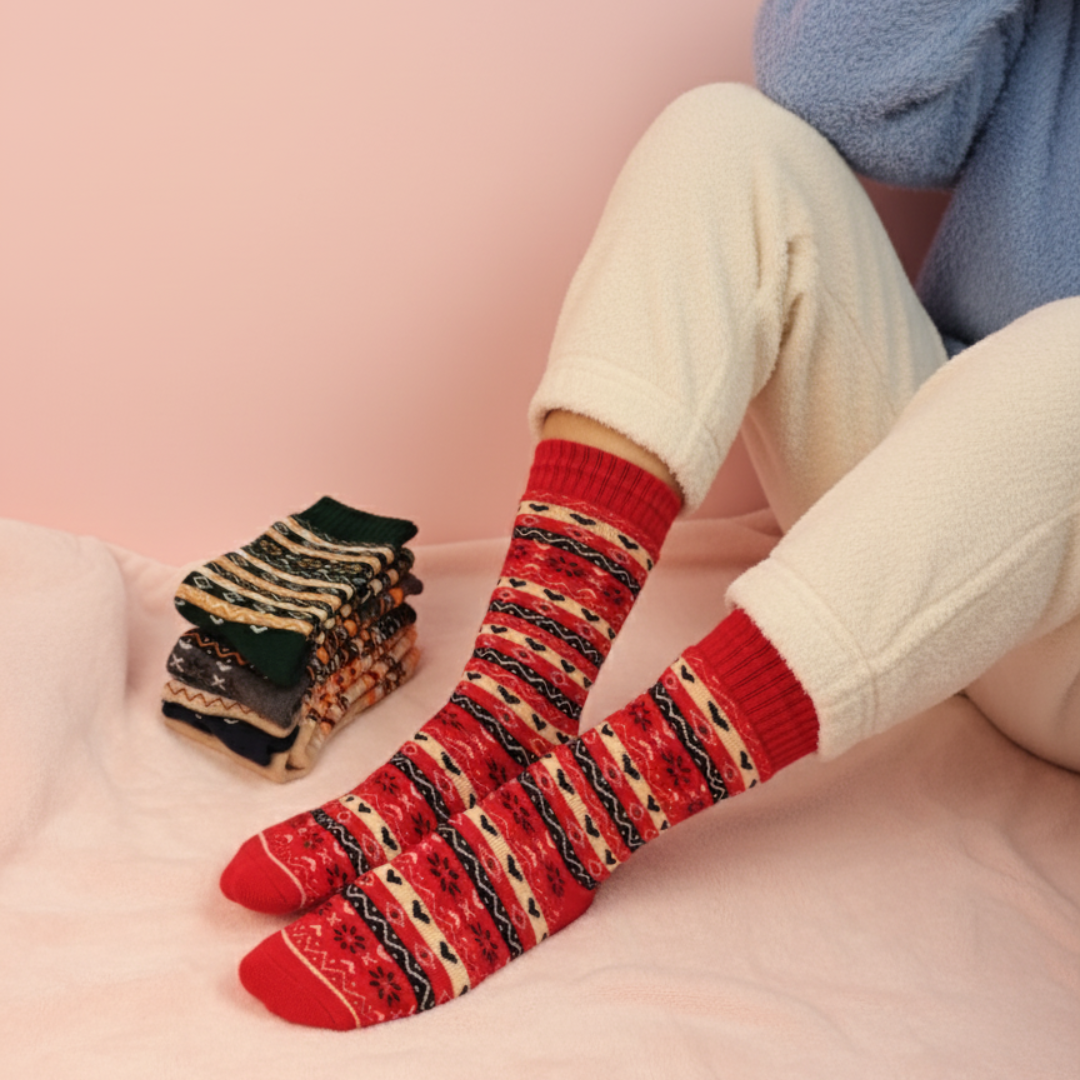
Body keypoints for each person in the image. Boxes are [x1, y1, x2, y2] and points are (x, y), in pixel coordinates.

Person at [223, 0, 1080, 1028]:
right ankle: (507, 712)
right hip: (929, 524)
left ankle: (582, 812)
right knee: (723, 137)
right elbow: (837, 91)